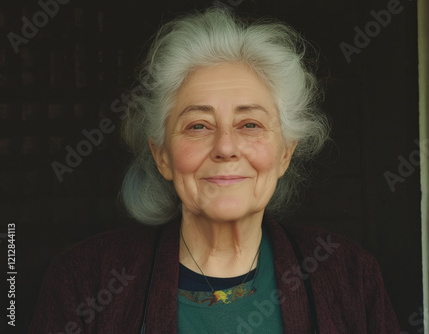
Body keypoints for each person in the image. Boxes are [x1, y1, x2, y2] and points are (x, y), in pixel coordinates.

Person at [30, 8, 400, 333]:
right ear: (162, 156)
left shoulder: (349, 276)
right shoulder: (85, 280)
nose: (225, 147)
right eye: (198, 126)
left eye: (250, 124)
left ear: (285, 153)